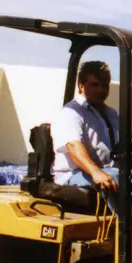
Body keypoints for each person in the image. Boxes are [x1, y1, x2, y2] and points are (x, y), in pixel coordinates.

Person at [51, 60, 120, 198]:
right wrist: (96, 172)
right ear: (81, 86)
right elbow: (73, 146)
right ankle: (123, 219)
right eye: (95, 85)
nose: (101, 90)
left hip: (107, 170)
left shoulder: (111, 114)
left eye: (105, 85)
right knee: (116, 181)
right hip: (74, 175)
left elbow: (120, 147)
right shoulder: (72, 112)